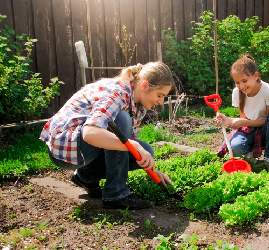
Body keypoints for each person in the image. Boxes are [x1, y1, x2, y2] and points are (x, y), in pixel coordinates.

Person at [40, 62, 174, 209]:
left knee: (145, 152)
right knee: (121, 118)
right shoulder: (117, 93)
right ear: (144, 86)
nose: (161, 102)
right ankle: (115, 194)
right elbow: (90, 133)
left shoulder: (138, 103)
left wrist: (151, 170)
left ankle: (85, 177)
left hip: (83, 147)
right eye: (159, 95)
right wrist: (133, 145)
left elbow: (127, 139)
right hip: (66, 147)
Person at [215, 56, 269, 170]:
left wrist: (242, 122)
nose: (241, 86)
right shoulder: (237, 92)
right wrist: (228, 121)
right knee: (235, 147)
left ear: (255, 76)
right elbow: (244, 121)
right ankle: (249, 152)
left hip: (266, 131)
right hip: (249, 129)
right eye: (237, 82)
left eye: (244, 81)